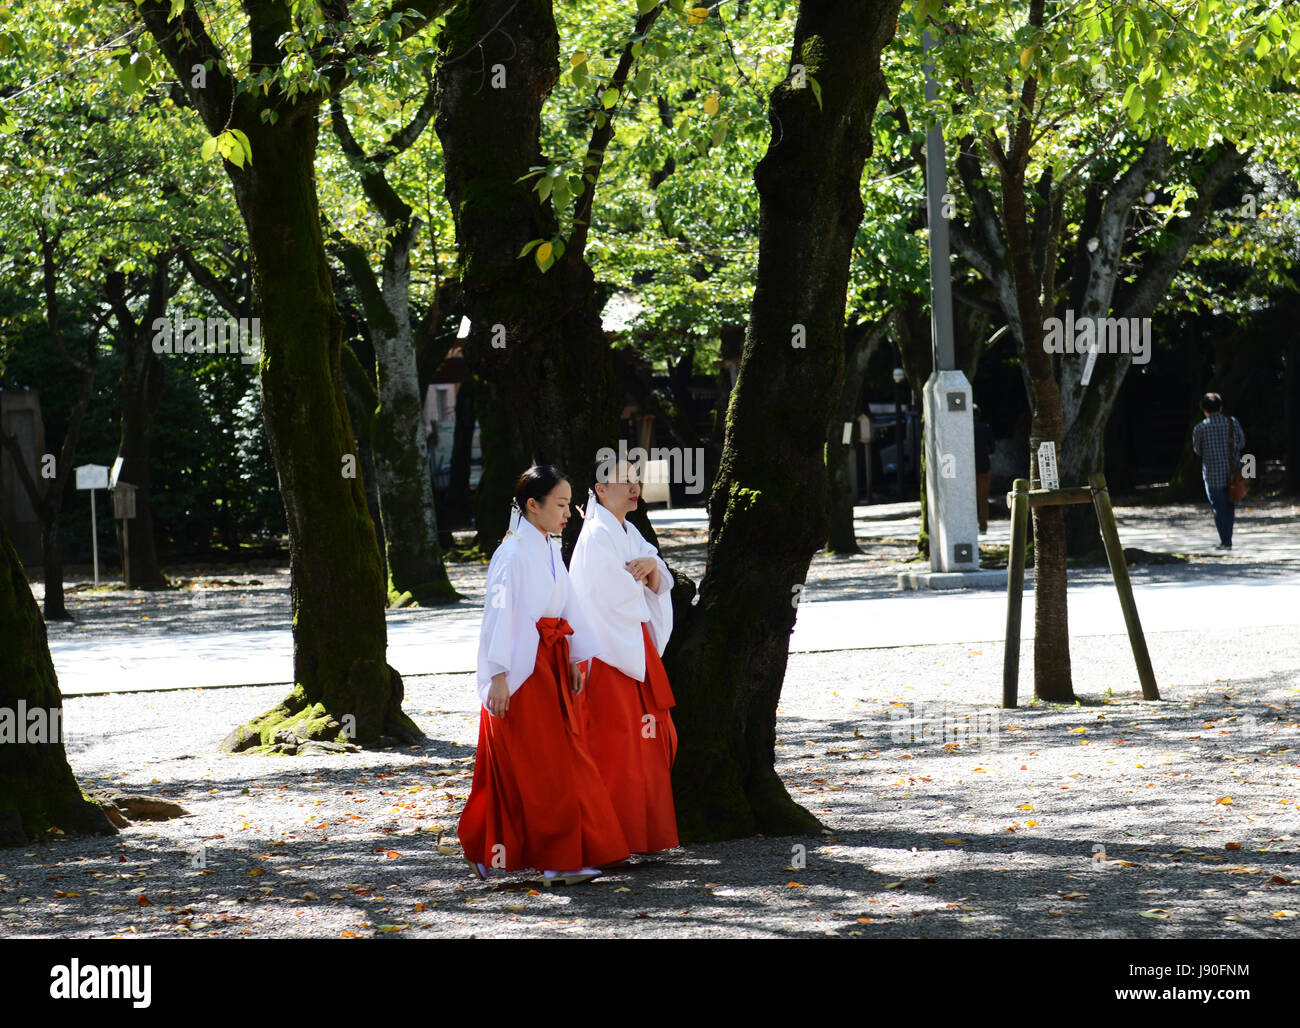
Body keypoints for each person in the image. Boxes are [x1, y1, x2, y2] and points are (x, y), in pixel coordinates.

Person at [456, 465, 630, 885]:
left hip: (549, 658)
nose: (568, 512)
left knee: (550, 760)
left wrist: (574, 655)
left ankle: (488, 850)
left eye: (569, 504)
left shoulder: (549, 546)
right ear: (532, 505)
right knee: (540, 763)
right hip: (522, 667)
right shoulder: (511, 553)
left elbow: (567, 604)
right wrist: (497, 674)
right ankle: (556, 859)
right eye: (560, 504)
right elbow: (497, 614)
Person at [568, 458, 679, 855]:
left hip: (635, 645)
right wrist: (648, 576)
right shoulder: (596, 534)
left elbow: (657, 575)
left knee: (645, 746)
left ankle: (642, 835)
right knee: (618, 747)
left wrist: (651, 568)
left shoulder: (628, 530)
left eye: (636, 481)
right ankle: (613, 839)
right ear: (600, 489)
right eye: (624, 481)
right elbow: (610, 595)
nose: (634, 488)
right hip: (608, 652)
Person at [1191, 392, 1244, 550]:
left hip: (1212, 474)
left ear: (1204, 409)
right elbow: (1241, 442)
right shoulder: (1232, 422)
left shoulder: (1200, 428)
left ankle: (1225, 541)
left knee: (1218, 508)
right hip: (1233, 472)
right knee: (1230, 506)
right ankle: (1228, 538)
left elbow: (1197, 450)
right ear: (1221, 408)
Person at [972, 404, 995, 533]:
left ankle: (969, 523)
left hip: (969, 467)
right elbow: (992, 449)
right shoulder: (985, 428)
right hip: (984, 467)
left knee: (970, 498)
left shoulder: (964, 428)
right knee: (983, 499)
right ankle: (983, 526)